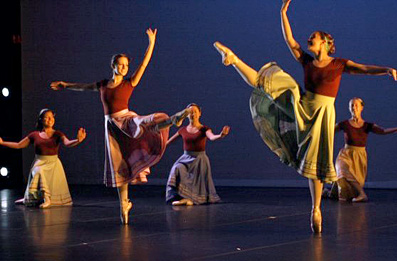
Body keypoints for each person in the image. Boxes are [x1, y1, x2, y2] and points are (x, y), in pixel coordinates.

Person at [213, 0, 397, 233]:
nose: (309, 39)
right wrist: (283, 13)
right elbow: (290, 40)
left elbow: (364, 68)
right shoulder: (307, 61)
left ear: (325, 43)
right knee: (269, 83)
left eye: (314, 37)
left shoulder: (339, 64)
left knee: (317, 163)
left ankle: (316, 209)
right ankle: (233, 59)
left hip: (322, 115)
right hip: (302, 106)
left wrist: (386, 69)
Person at [50, 28, 190, 224]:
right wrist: (66, 85)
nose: (124, 68)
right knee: (119, 165)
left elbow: (144, 65)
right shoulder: (102, 85)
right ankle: (124, 204)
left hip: (126, 119)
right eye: (121, 65)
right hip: (112, 128)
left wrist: (151, 43)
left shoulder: (129, 83)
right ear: (113, 65)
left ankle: (172, 119)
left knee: (144, 123)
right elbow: (83, 87)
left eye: (126, 65)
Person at [0, 109, 86, 208]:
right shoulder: (34, 135)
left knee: (39, 172)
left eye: (52, 117)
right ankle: (28, 198)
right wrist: (3, 143)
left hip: (53, 163)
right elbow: (19, 145)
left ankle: (47, 199)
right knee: (38, 171)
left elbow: (67, 143)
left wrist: (78, 140)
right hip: (39, 162)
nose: (50, 119)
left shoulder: (57, 134)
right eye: (47, 117)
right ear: (41, 120)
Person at [330, 98, 397, 202]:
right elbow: (329, 131)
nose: (354, 107)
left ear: (361, 108)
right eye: (351, 106)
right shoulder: (344, 124)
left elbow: (383, 131)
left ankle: (331, 193)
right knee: (342, 170)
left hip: (359, 156)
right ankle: (362, 194)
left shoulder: (367, 125)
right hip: (345, 154)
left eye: (356, 105)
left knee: (348, 185)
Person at [165, 103, 230, 206]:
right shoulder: (182, 130)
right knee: (177, 168)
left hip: (199, 159)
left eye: (195, 112)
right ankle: (184, 198)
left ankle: (189, 200)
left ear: (199, 113)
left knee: (196, 183)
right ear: (186, 115)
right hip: (185, 158)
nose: (193, 114)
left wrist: (221, 135)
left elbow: (212, 137)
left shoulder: (204, 129)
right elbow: (167, 143)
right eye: (190, 112)